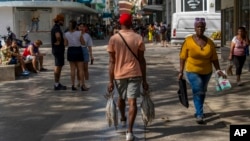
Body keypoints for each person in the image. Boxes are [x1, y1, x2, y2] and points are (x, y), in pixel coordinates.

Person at [107, 13, 149, 141]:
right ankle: (129, 132)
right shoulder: (138, 38)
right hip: (135, 73)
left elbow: (112, 62)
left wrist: (110, 81)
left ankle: (123, 118)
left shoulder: (114, 39)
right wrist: (145, 80)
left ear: (120, 23)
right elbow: (142, 60)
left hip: (119, 74)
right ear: (131, 23)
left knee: (120, 98)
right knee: (133, 102)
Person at [178, 17, 226, 124]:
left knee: (202, 92)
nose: (200, 29)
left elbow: (214, 58)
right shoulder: (188, 41)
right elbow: (182, 57)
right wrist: (181, 71)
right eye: (198, 27)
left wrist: (218, 70)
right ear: (194, 28)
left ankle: (198, 110)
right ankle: (200, 114)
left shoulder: (210, 42)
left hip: (207, 72)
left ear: (205, 28)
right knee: (198, 89)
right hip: (192, 70)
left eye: (202, 27)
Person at [64, 19, 88, 91]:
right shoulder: (79, 33)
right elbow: (83, 43)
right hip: (78, 50)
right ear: (76, 26)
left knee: (72, 69)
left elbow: (65, 44)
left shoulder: (66, 34)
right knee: (80, 69)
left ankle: (72, 85)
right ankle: (82, 85)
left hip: (71, 50)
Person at [51, 13, 67, 90]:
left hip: (56, 49)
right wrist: (59, 41)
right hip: (58, 49)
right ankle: (56, 84)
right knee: (58, 66)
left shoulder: (55, 27)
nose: (63, 22)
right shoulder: (57, 28)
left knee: (57, 66)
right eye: (62, 21)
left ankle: (57, 82)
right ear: (59, 20)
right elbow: (58, 36)